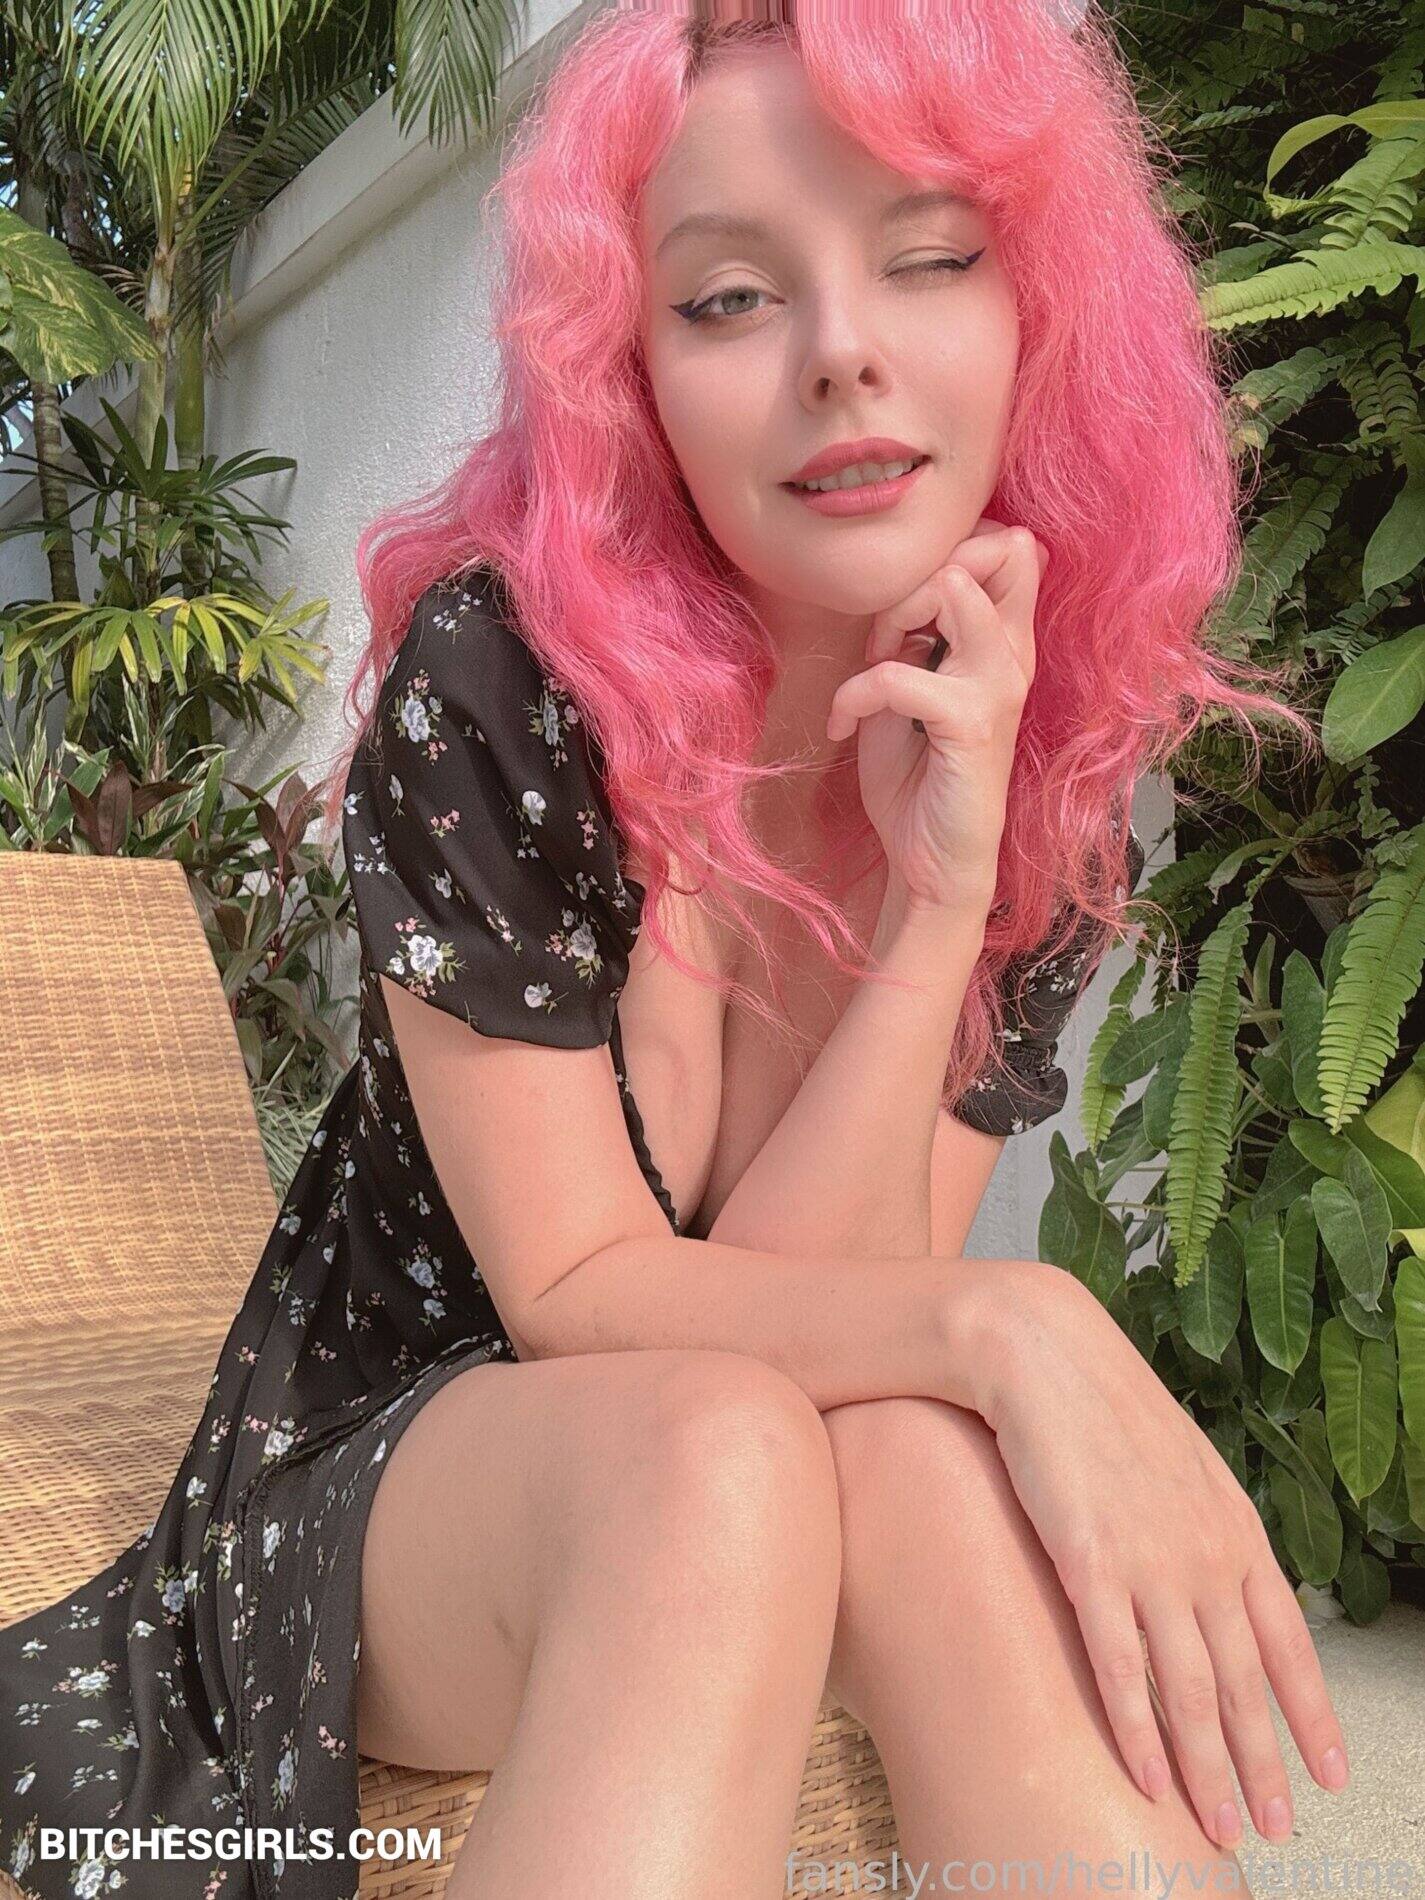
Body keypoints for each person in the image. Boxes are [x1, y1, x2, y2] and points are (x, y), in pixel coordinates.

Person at [0, 7, 1349, 1900]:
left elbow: (828, 1322)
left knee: (899, 1463)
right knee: (725, 1458)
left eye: (930, 257)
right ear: (627, 368)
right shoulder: (504, 681)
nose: (843, 350)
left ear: (1044, 310)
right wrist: (1019, 1321)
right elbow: (575, 1298)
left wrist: (935, 905)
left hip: (744, 1443)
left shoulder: (1036, 760)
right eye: (727, 299)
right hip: (398, 1474)